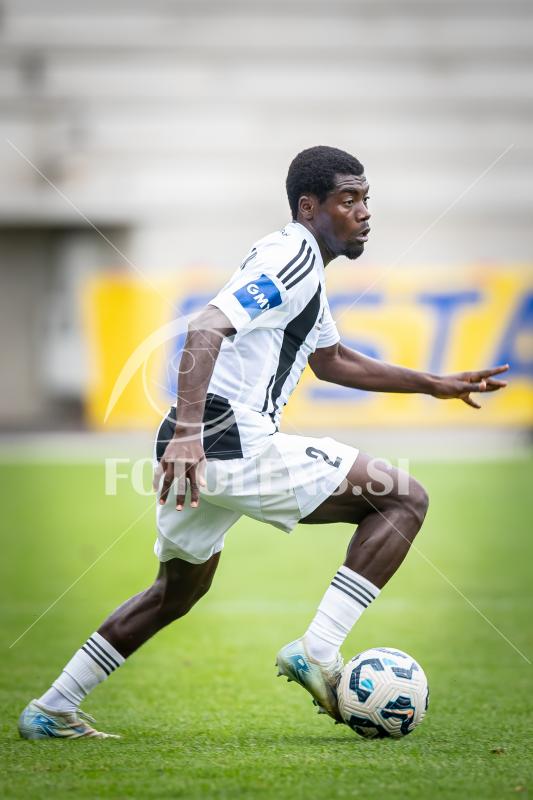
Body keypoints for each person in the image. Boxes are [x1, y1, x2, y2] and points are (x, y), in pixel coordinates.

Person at [18, 146, 508, 739]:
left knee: (175, 593)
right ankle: (319, 650)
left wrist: (433, 383)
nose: (363, 212)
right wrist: (190, 437)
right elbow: (206, 327)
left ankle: (51, 709)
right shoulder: (292, 258)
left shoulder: (305, 267)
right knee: (404, 498)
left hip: (201, 442)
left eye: (365, 198)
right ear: (310, 207)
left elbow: (332, 361)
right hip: (226, 438)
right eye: (348, 199)